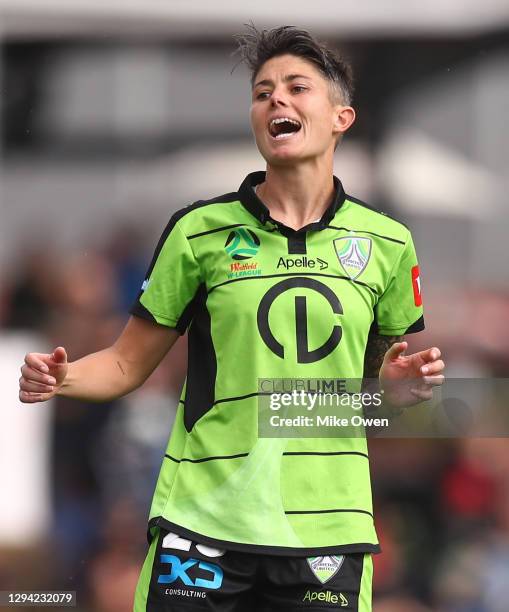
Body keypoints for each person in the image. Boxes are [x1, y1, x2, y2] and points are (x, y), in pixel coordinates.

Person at [19, 25, 445, 612]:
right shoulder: (199, 231)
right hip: (204, 518)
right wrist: (60, 378)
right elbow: (124, 362)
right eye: (263, 91)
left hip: (326, 527)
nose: (277, 100)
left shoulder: (388, 242)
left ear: (342, 117)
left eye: (298, 87)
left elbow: (377, 390)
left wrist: (397, 389)